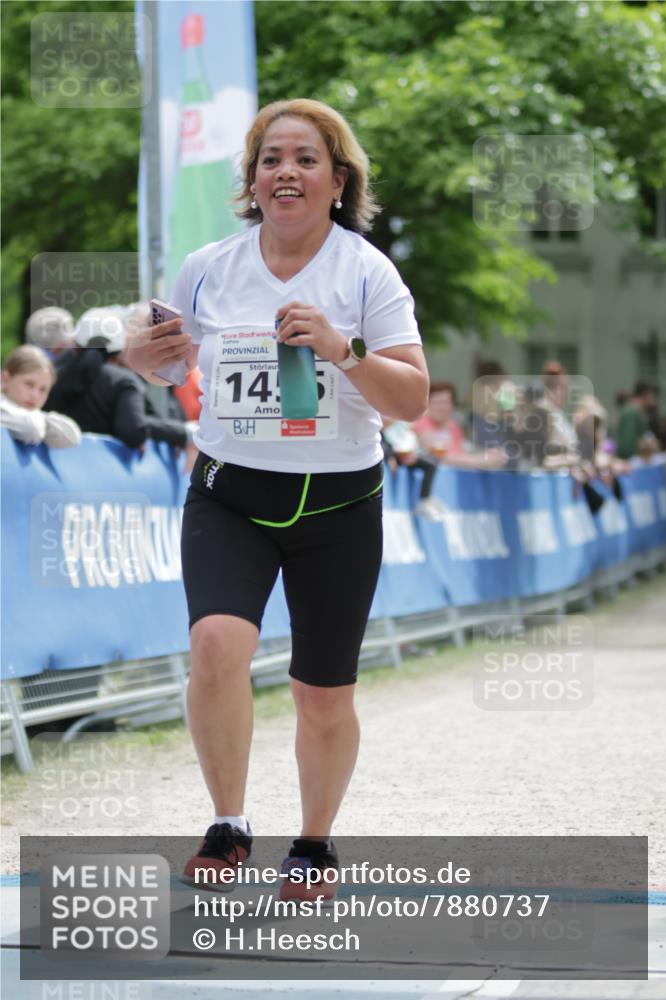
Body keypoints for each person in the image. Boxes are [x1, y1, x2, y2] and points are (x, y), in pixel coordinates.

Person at [126, 98, 429, 900]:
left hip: (338, 504)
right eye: (270, 159)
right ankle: (228, 823)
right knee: (217, 647)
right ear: (253, 182)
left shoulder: (366, 271)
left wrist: (342, 347)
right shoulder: (208, 266)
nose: (285, 171)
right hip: (231, 494)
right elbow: (165, 365)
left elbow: (412, 400)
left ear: (338, 179)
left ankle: (316, 843)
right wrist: (137, 355)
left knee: (321, 692)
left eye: (305, 158)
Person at [47, 307, 190, 452]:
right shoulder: (124, 381)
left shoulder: (51, 374)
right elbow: (133, 432)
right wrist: (182, 434)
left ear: (76, 345)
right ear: (119, 349)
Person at [1, 345, 81, 448]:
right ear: (6, 379)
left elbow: (73, 436)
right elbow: (31, 428)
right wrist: (46, 425)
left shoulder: (36, 417)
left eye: (43, 389)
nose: (35, 395)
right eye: (29, 384)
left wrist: (44, 422)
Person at [615, 381, 658, 460]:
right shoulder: (631, 413)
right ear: (646, 394)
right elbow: (627, 445)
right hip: (629, 464)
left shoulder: (636, 412)